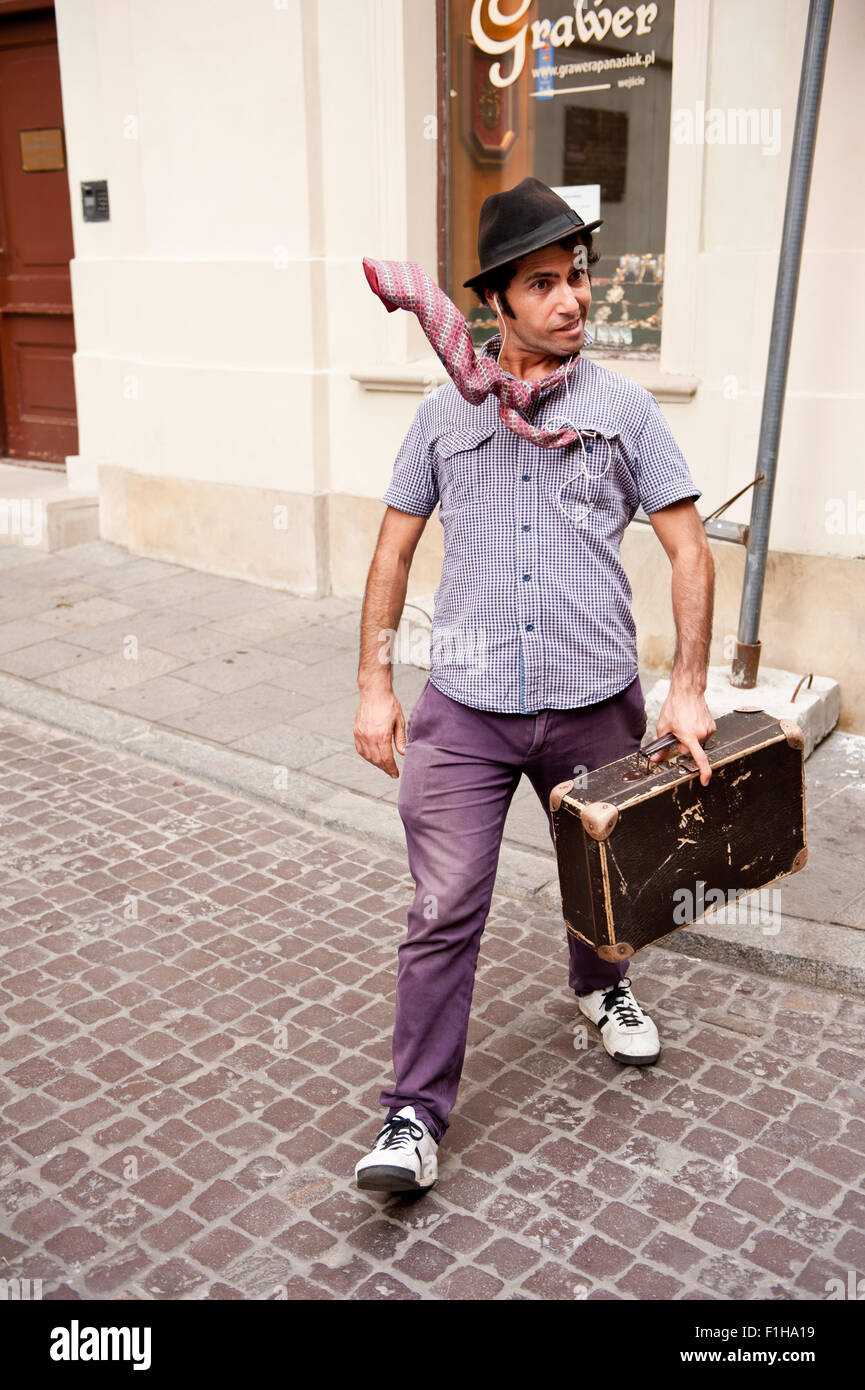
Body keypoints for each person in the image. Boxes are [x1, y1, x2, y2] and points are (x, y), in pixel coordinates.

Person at [352, 178, 715, 1193]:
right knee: (444, 902)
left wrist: (686, 688)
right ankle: (413, 1117)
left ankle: (602, 987)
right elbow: (390, 553)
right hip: (463, 709)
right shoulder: (439, 417)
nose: (571, 300)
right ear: (495, 305)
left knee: (604, 881)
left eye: (579, 279)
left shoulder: (622, 409)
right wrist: (375, 684)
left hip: (595, 701)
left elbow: (690, 550)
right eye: (543, 283)